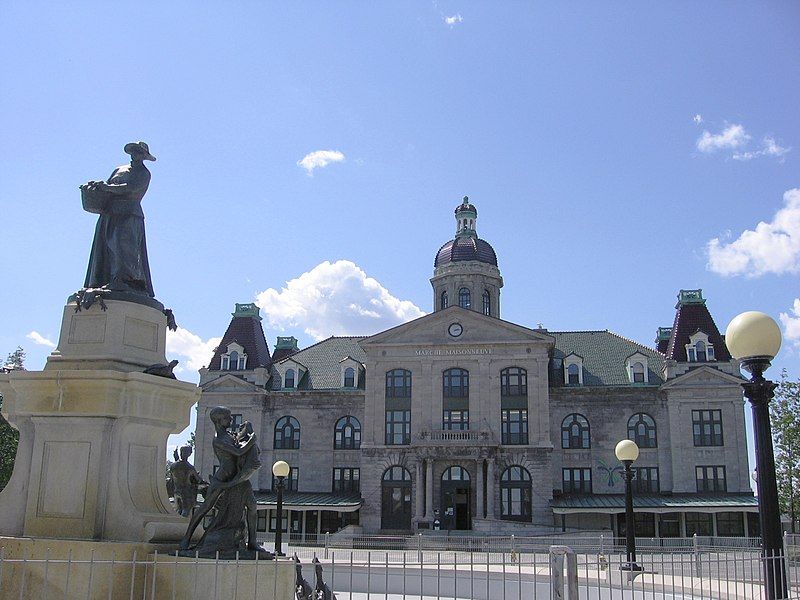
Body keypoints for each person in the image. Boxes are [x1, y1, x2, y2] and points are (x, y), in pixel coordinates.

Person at [179, 406, 262, 554]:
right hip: (222, 478)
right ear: (218, 420)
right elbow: (238, 451)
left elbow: (240, 446)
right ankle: (186, 538)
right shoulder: (218, 439)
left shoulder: (229, 435)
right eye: (227, 417)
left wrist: (247, 433)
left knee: (252, 505)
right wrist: (252, 439)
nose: (231, 419)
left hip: (238, 477)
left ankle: (253, 542)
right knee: (206, 507)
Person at [80, 141, 156, 297]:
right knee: (105, 246)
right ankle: (103, 280)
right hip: (110, 212)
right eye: (134, 151)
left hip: (129, 213)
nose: (136, 154)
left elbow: (130, 189)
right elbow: (107, 186)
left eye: (140, 152)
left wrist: (106, 187)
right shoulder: (119, 169)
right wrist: (96, 187)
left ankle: (124, 280)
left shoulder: (144, 173)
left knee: (122, 246)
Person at [168, 445, 206, 517]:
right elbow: (199, 480)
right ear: (189, 453)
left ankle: (177, 524)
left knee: (178, 510)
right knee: (186, 510)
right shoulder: (189, 467)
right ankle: (182, 526)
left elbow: (172, 479)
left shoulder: (173, 465)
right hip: (186, 492)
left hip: (176, 491)